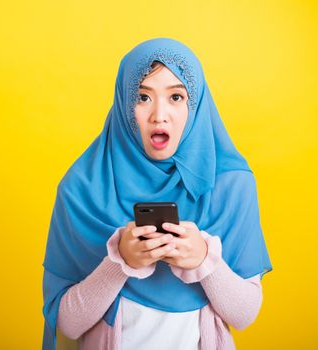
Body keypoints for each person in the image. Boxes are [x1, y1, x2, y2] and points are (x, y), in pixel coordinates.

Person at [41, 37, 273, 350]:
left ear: (195, 104)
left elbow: (244, 315)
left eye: (176, 97)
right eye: (142, 97)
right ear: (124, 104)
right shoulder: (81, 188)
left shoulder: (232, 185)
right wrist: (119, 260)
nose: (159, 115)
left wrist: (204, 260)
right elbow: (67, 322)